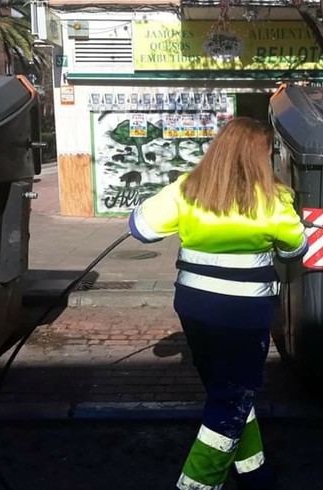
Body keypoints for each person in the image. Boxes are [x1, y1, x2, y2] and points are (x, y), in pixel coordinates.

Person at [128, 117, 308, 489]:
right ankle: (196, 483)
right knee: (231, 400)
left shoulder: (187, 190)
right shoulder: (273, 200)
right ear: (260, 157)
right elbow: (296, 248)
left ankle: (255, 471)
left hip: (194, 309)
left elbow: (140, 229)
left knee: (224, 389)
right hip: (245, 315)